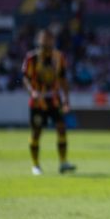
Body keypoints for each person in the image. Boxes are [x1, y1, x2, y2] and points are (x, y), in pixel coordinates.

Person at [22, 28, 76, 175]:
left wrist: (66, 100)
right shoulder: (31, 58)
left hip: (54, 99)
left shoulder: (59, 57)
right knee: (36, 132)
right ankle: (36, 165)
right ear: (39, 40)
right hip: (38, 100)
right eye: (44, 38)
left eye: (49, 38)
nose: (47, 41)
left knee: (61, 128)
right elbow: (25, 78)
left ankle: (63, 162)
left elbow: (63, 80)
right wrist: (31, 91)